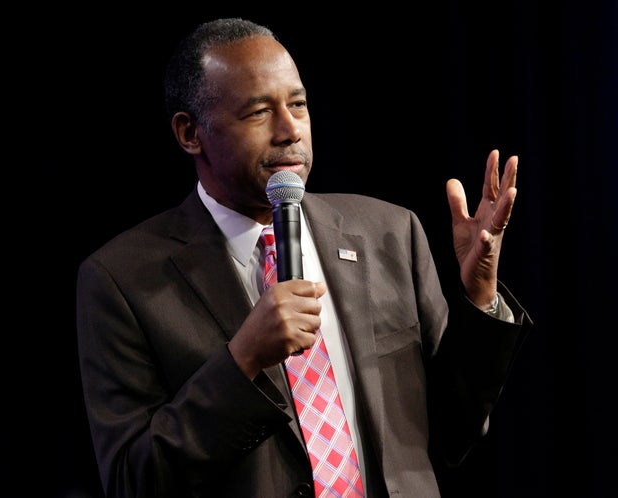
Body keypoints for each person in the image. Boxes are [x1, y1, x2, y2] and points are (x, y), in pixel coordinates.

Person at [76, 17, 532, 498]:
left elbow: (455, 431)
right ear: (191, 133)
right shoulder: (122, 280)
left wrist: (478, 295)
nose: (289, 129)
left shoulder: (388, 233)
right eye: (257, 113)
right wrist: (243, 359)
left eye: (298, 104)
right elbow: (134, 480)